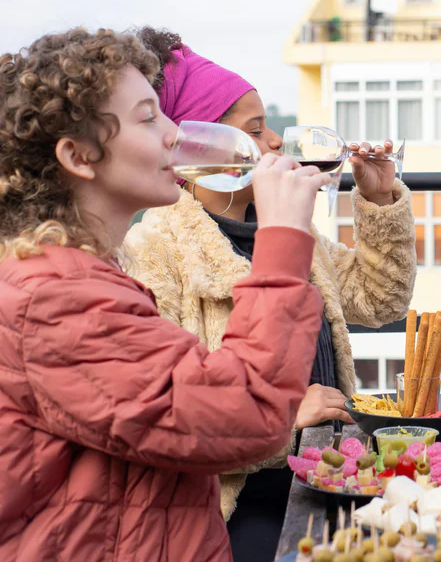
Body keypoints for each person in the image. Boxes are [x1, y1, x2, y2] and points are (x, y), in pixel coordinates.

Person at [0, 27, 332, 559]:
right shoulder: (57, 300)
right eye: (148, 117)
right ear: (79, 157)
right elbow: (245, 415)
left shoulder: (78, 275)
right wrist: (283, 238)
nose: (176, 134)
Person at [122, 28, 417, 560]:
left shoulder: (280, 226)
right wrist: (281, 419)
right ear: (199, 144)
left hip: (329, 468)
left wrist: (377, 200)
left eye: (270, 126)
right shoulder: (154, 250)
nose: (277, 141)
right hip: (235, 501)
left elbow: (383, 300)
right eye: (255, 130)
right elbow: (172, 419)